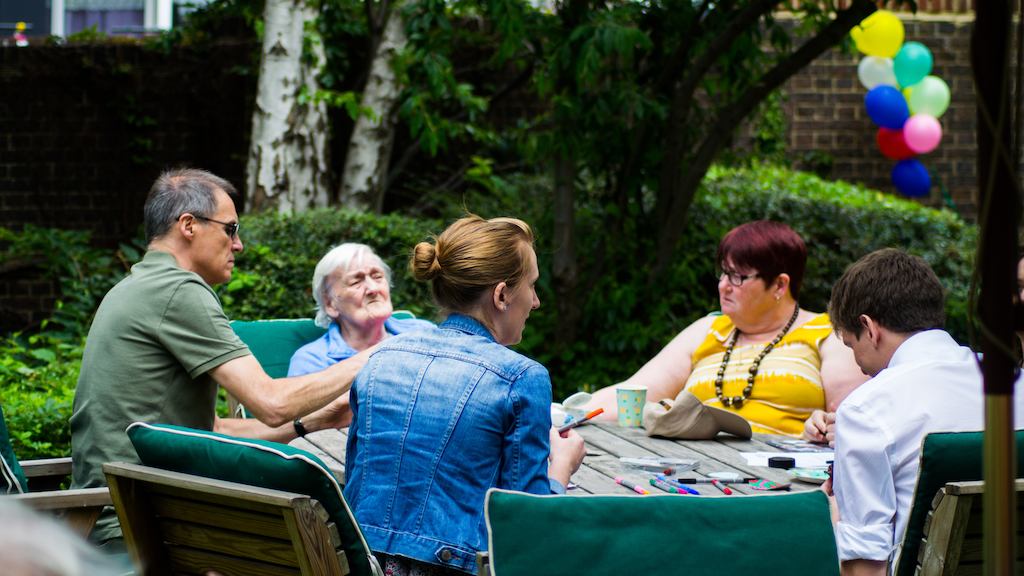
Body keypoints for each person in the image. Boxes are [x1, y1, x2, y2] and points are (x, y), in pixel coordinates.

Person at [70, 169, 368, 548]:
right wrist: (372, 356)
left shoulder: (133, 287)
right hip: (146, 526)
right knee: (324, 545)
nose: (239, 244)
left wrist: (317, 420)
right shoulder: (179, 289)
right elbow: (272, 404)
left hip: (107, 518)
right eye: (230, 229)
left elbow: (213, 430)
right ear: (189, 225)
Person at [343, 215, 586, 575]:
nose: (535, 301)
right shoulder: (522, 378)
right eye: (532, 286)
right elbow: (526, 528)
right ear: (502, 295)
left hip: (359, 564)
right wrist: (561, 470)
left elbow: (358, 481)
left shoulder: (381, 360)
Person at [828, 248, 1024, 575]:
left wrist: (835, 510)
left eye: (852, 346)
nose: (859, 366)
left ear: (869, 327)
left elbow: (865, 568)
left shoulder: (865, 410)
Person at [586, 220, 866, 437]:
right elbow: (635, 394)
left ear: (780, 285)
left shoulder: (828, 333)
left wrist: (821, 428)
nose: (723, 285)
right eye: (723, 273)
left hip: (784, 476)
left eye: (738, 277)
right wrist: (568, 413)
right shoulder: (709, 329)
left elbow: (849, 418)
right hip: (697, 470)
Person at [288, 244, 433, 424]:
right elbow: (304, 432)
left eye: (377, 276)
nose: (372, 289)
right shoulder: (311, 362)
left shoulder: (426, 333)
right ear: (330, 304)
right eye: (356, 282)